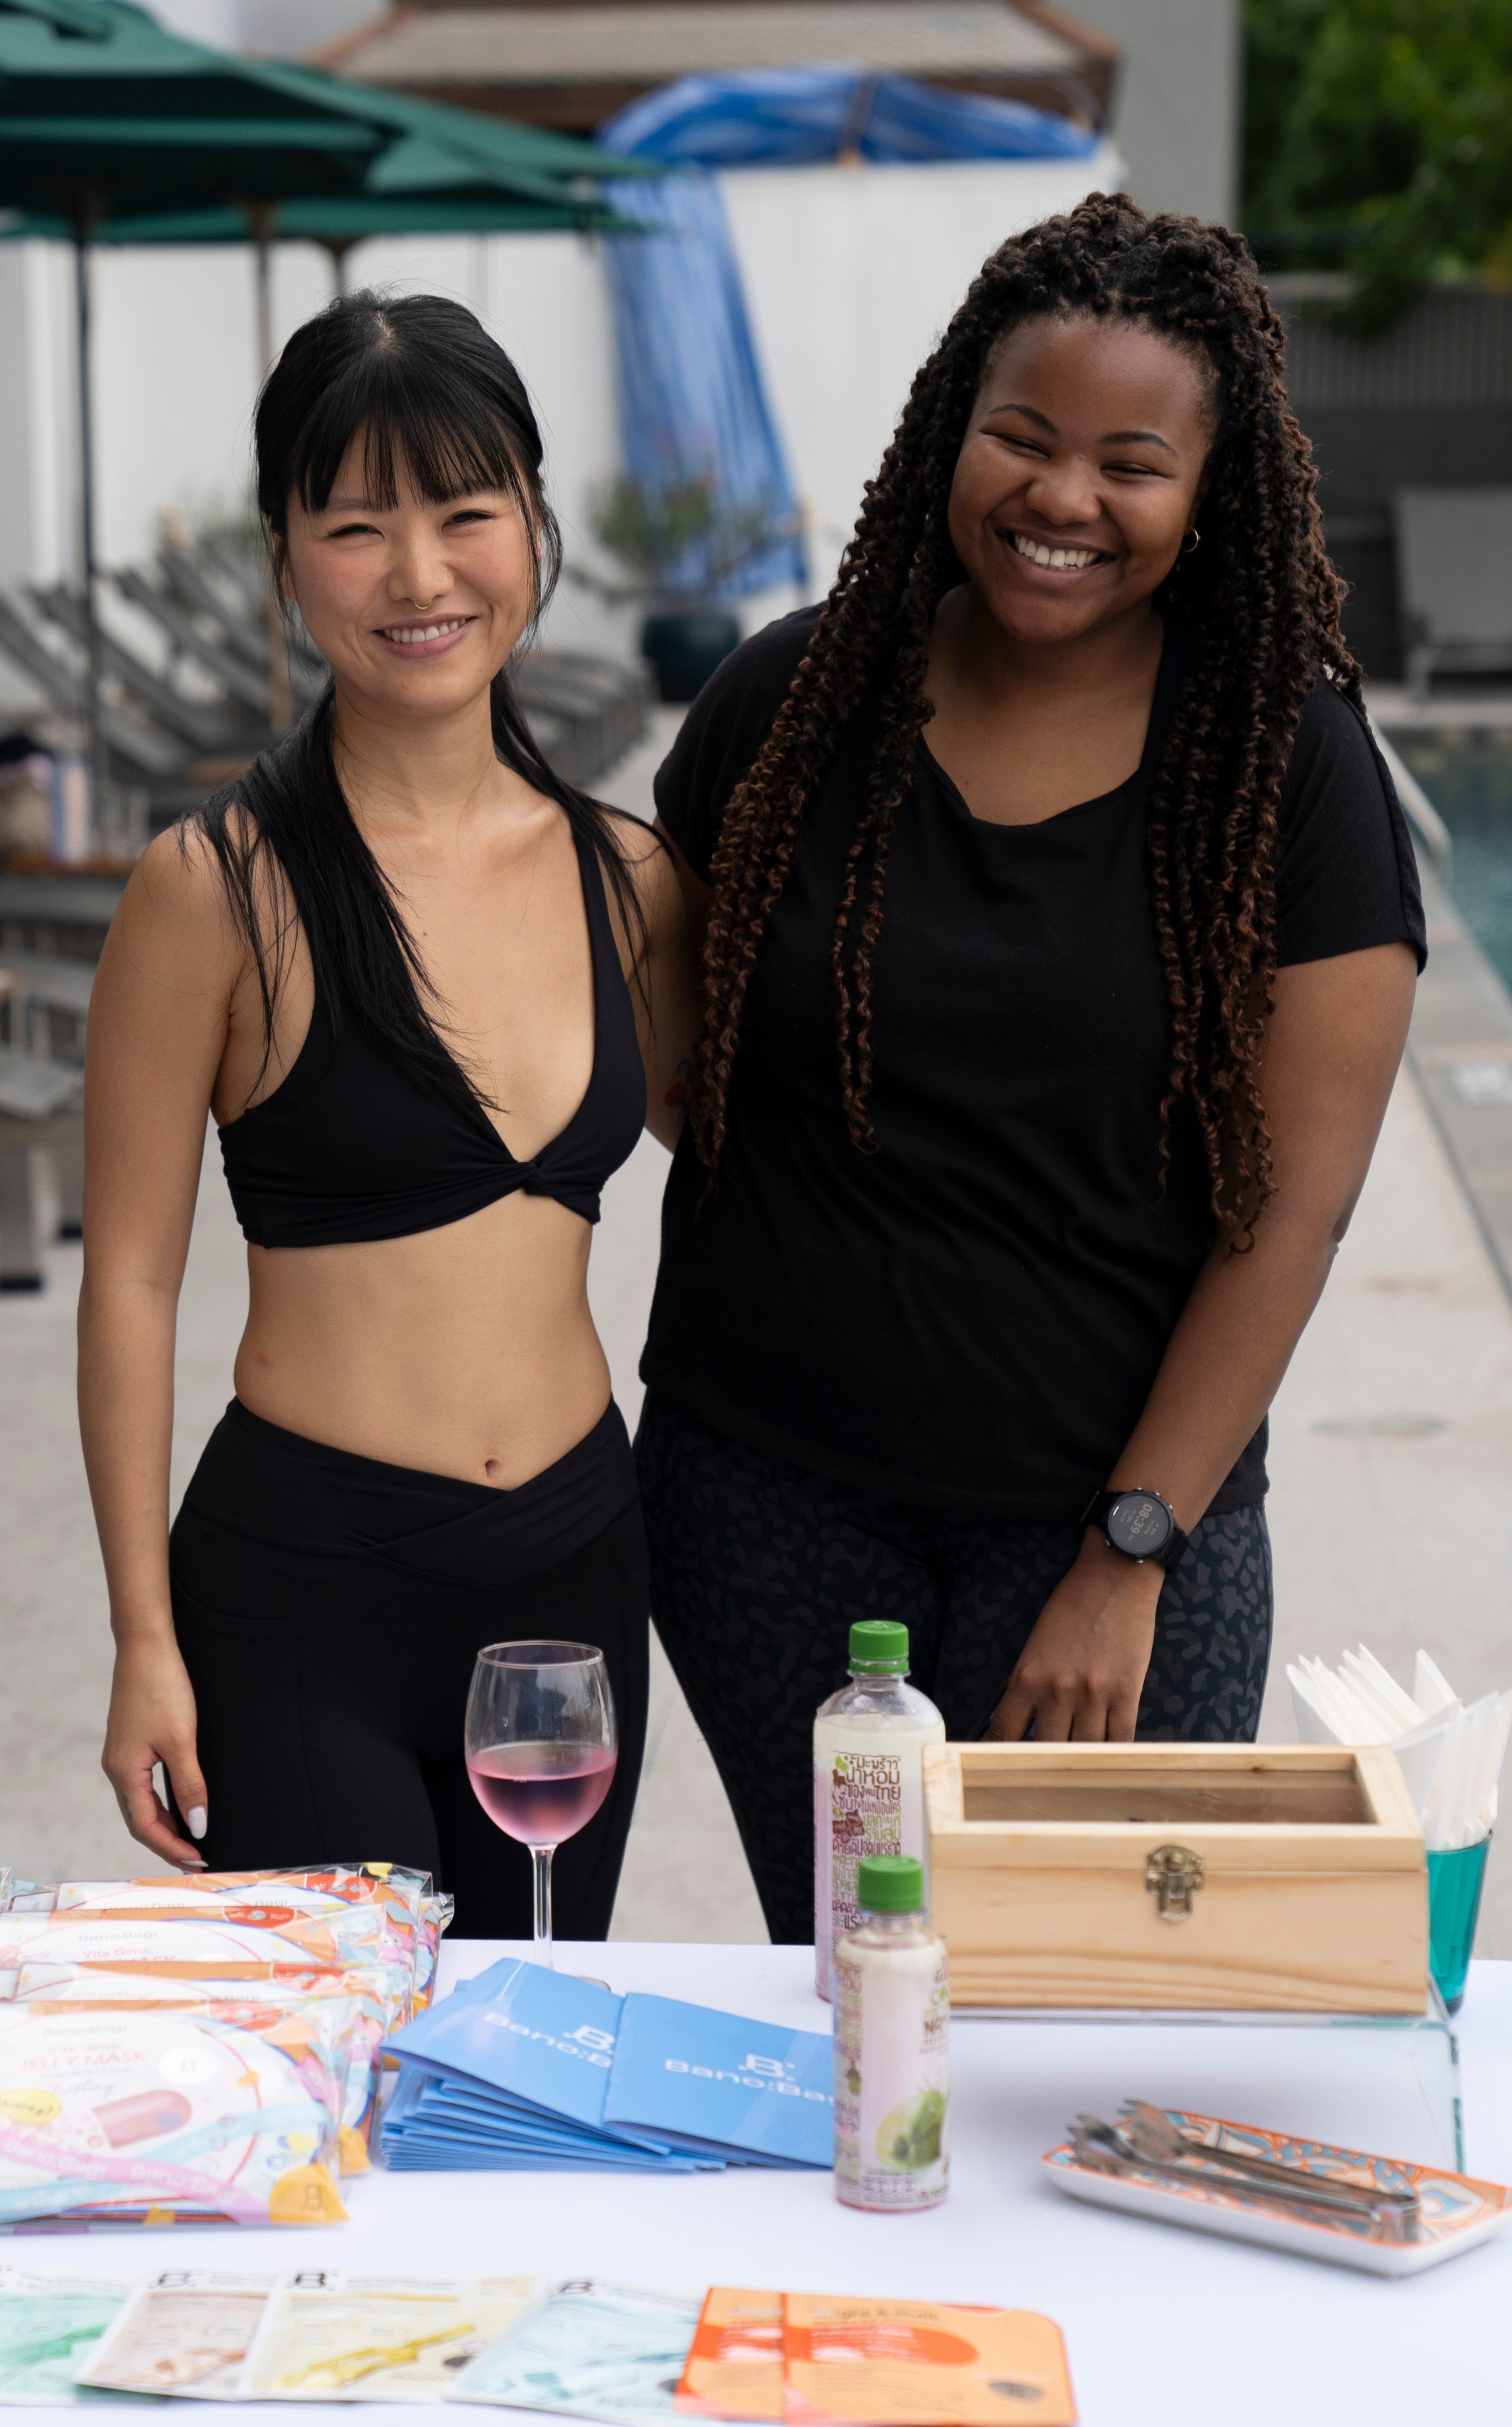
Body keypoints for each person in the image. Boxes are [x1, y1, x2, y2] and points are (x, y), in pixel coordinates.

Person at [637, 194, 1425, 1943]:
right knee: (852, 1989)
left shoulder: (1283, 770)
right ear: (951, 432)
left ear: (1208, 492)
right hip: (763, 1497)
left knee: (1087, 2012)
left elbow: (1286, 1220)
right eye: (1024, 436)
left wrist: (1129, 1545)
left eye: (1131, 461)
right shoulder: (789, 703)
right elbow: (661, 1056)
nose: (1064, 499)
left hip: (1111, 1529)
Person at [81, 292, 695, 1939]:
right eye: (357, 525)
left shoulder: (627, 878)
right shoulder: (212, 892)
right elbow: (130, 1277)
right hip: (306, 1590)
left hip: (573, 1583)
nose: (421, 577)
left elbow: (764, 1165)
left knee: (523, 2081)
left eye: (465, 512)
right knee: (341, 2110)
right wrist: (143, 1634)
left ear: (535, 529)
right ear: (286, 556)